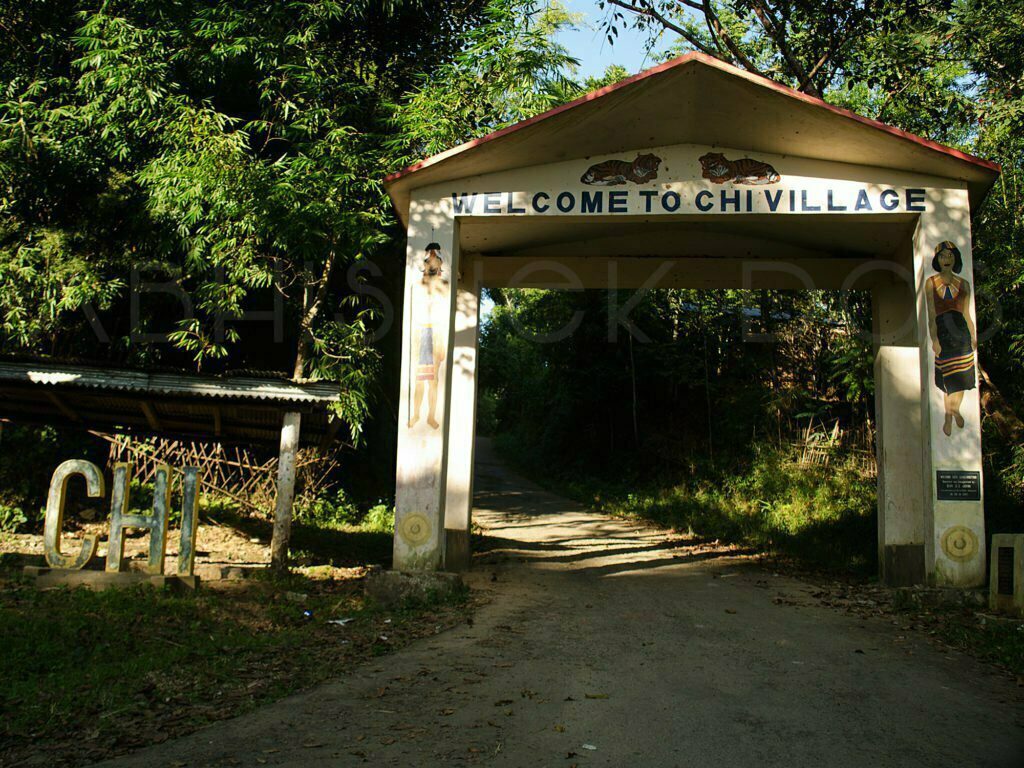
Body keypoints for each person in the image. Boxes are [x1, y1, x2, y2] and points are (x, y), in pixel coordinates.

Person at [925, 240, 977, 436]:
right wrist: (934, 340)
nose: (946, 259)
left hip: (961, 332)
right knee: (949, 377)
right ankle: (949, 415)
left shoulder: (963, 284)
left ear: (956, 258)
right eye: (942, 256)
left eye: (950, 255)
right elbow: (931, 315)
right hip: (943, 332)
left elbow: (966, 313)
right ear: (937, 260)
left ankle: (954, 411)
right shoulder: (931, 283)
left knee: (962, 376)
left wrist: (972, 336)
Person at [408, 243, 448, 429]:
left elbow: (444, 314)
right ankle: (416, 414)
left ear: (439, 264)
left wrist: (442, 343)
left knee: (434, 379)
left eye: (435, 259)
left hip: (436, 331)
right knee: (419, 379)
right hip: (422, 330)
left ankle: (430, 416)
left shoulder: (444, 286)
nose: (432, 263)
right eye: (429, 259)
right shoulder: (418, 285)